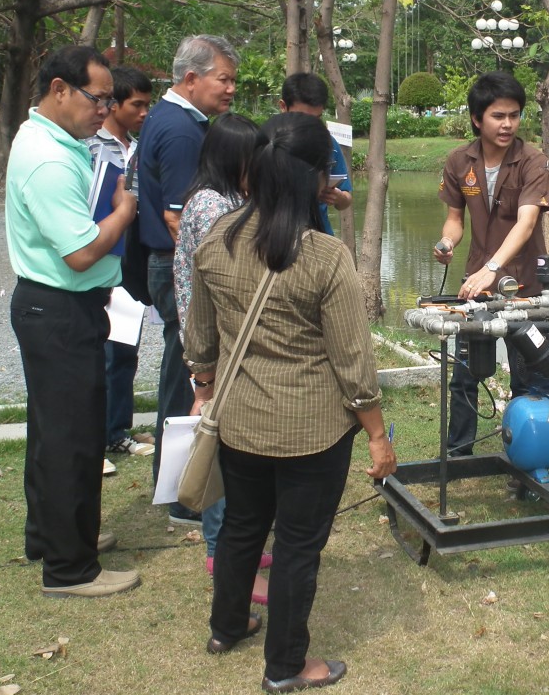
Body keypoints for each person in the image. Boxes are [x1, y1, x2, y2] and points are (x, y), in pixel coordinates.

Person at [183, 112, 396, 691]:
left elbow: (199, 340)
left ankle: (227, 627)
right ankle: (286, 667)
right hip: (312, 433)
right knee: (299, 545)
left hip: (240, 423)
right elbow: (355, 367)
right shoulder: (325, 257)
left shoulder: (216, 239)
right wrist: (377, 434)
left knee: (243, 529)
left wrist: (204, 385)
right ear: (316, 180)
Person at [5, 45, 139, 597]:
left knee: (53, 432)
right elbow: (81, 253)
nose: (104, 110)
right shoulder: (51, 159)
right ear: (60, 89)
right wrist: (125, 212)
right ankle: (68, 569)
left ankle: (54, 535)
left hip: (56, 307)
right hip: (58, 308)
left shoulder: (54, 139)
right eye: (97, 98)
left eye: (109, 99)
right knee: (73, 439)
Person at [138, 34, 239, 526]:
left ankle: (181, 487)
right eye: (224, 79)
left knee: (182, 378)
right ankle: (185, 494)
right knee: (192, 380)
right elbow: (182, 218)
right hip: (181, 268)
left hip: (172, 264)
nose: (231, 89)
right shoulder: (180, 130)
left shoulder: (173, 119)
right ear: (192, 77)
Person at [172, 113, 271, 605]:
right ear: (237, 157)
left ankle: (239, 546)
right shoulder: (212, 205)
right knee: (218, 446)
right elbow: (221, 281)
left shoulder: (231, 198)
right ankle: (221, 551)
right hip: (214, 343)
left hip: (226, 341)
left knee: (234, 450)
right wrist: (203, 374)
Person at [433, 71, 549, 456]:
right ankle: (458, 452)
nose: (507, 125)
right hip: (476, 285)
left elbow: (527, 221)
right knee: (466, 373)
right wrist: (447, 241)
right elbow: (456, 217)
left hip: (525, 287)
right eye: (498, 116)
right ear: (476, 118)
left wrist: (494, 268)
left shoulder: (533, 161)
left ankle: (526, 455)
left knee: (528, 375)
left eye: (514, 116)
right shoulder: (458, 161)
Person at [85, 65, 154, 476]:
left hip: (134, 259)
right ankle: (93, 442)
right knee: (99, 351)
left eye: (148, 105)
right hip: (101, 253)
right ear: (113, 105)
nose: (144, 112)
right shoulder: (91, 146)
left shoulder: (140, 147)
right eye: (136, 105)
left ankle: (117, 430)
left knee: (125, 349)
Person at [278, 73, 352, 236]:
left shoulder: (329, 144)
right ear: (283, 107)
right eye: (302, 117)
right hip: (278, 238)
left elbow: (346, 197)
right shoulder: (268, 143)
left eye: (316, 119)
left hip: (319, 237)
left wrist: (338, 198)